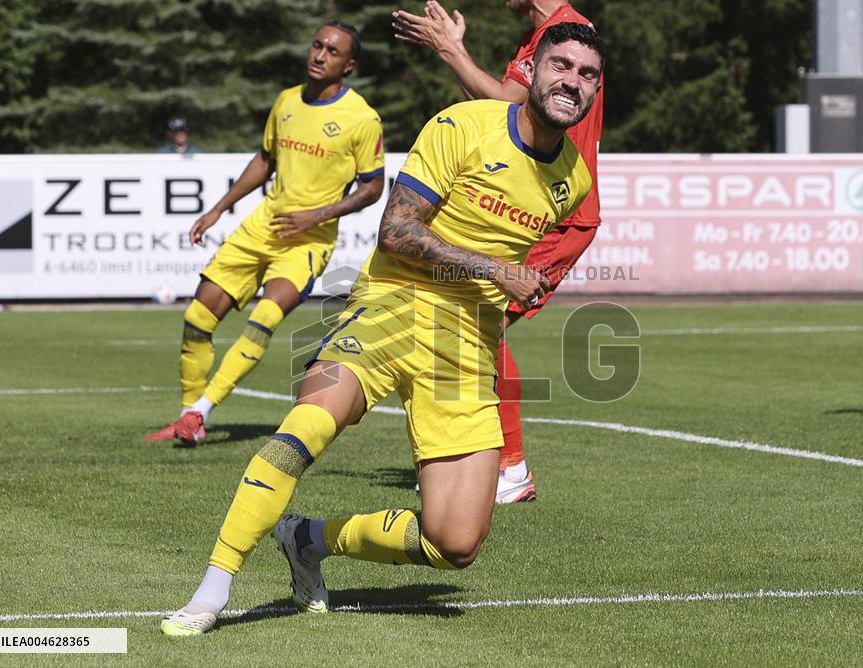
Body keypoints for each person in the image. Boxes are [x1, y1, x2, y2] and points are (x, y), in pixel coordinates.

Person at [159, 22, 604, 636]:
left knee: (456, 542)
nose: (572, 82)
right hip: (390, 308)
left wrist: (515, 284)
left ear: (595, 90)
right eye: (561, 65)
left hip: (467, 345)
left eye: (587, 75)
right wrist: (495, 268)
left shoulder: (573, 180)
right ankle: (211, 591)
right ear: (530, 72)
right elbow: (396, 231)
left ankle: (307, 539)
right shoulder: (461, 125)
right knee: (303, 429)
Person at [392, 0, 604, 502]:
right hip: (540, 201)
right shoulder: (542, 34)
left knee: (483, 326)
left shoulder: (565, 34)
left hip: (554, 210)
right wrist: (457, 55)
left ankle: (507, 465)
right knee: (474, 323)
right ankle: (487, 460)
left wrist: (451, 52)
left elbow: (513, 100)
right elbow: (502, 110)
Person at [144, 21, 385, 446]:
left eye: (332, 51)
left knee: (264, 320)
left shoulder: (362, 118)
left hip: (308, 241)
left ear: (349, 66)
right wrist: (218, 208)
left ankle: (201, 412)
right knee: (197, 318)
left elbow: (373, 187)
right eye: (317, 45)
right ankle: (185, 416)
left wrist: (317, 216)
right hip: (261, 226)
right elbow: (265, 159)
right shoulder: (287, 100)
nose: (320, 55)